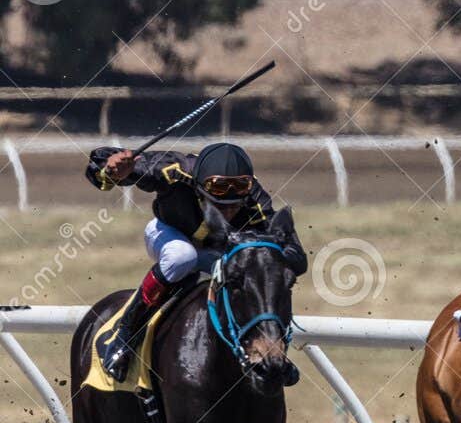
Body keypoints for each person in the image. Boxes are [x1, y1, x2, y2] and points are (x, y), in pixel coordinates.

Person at [85, 141, 306, 381]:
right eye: (217, 204)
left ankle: (272, 350)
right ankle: (125, 334)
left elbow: (296, 257)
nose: (227, 212)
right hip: (168, 234)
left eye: (234, 206)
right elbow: (100, 167)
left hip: (216, 253)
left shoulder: (255, 197)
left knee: (255, 271)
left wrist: (267, 258)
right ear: (199, 187)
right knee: (182, 256)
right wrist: (111, 170)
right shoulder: (174, 169)